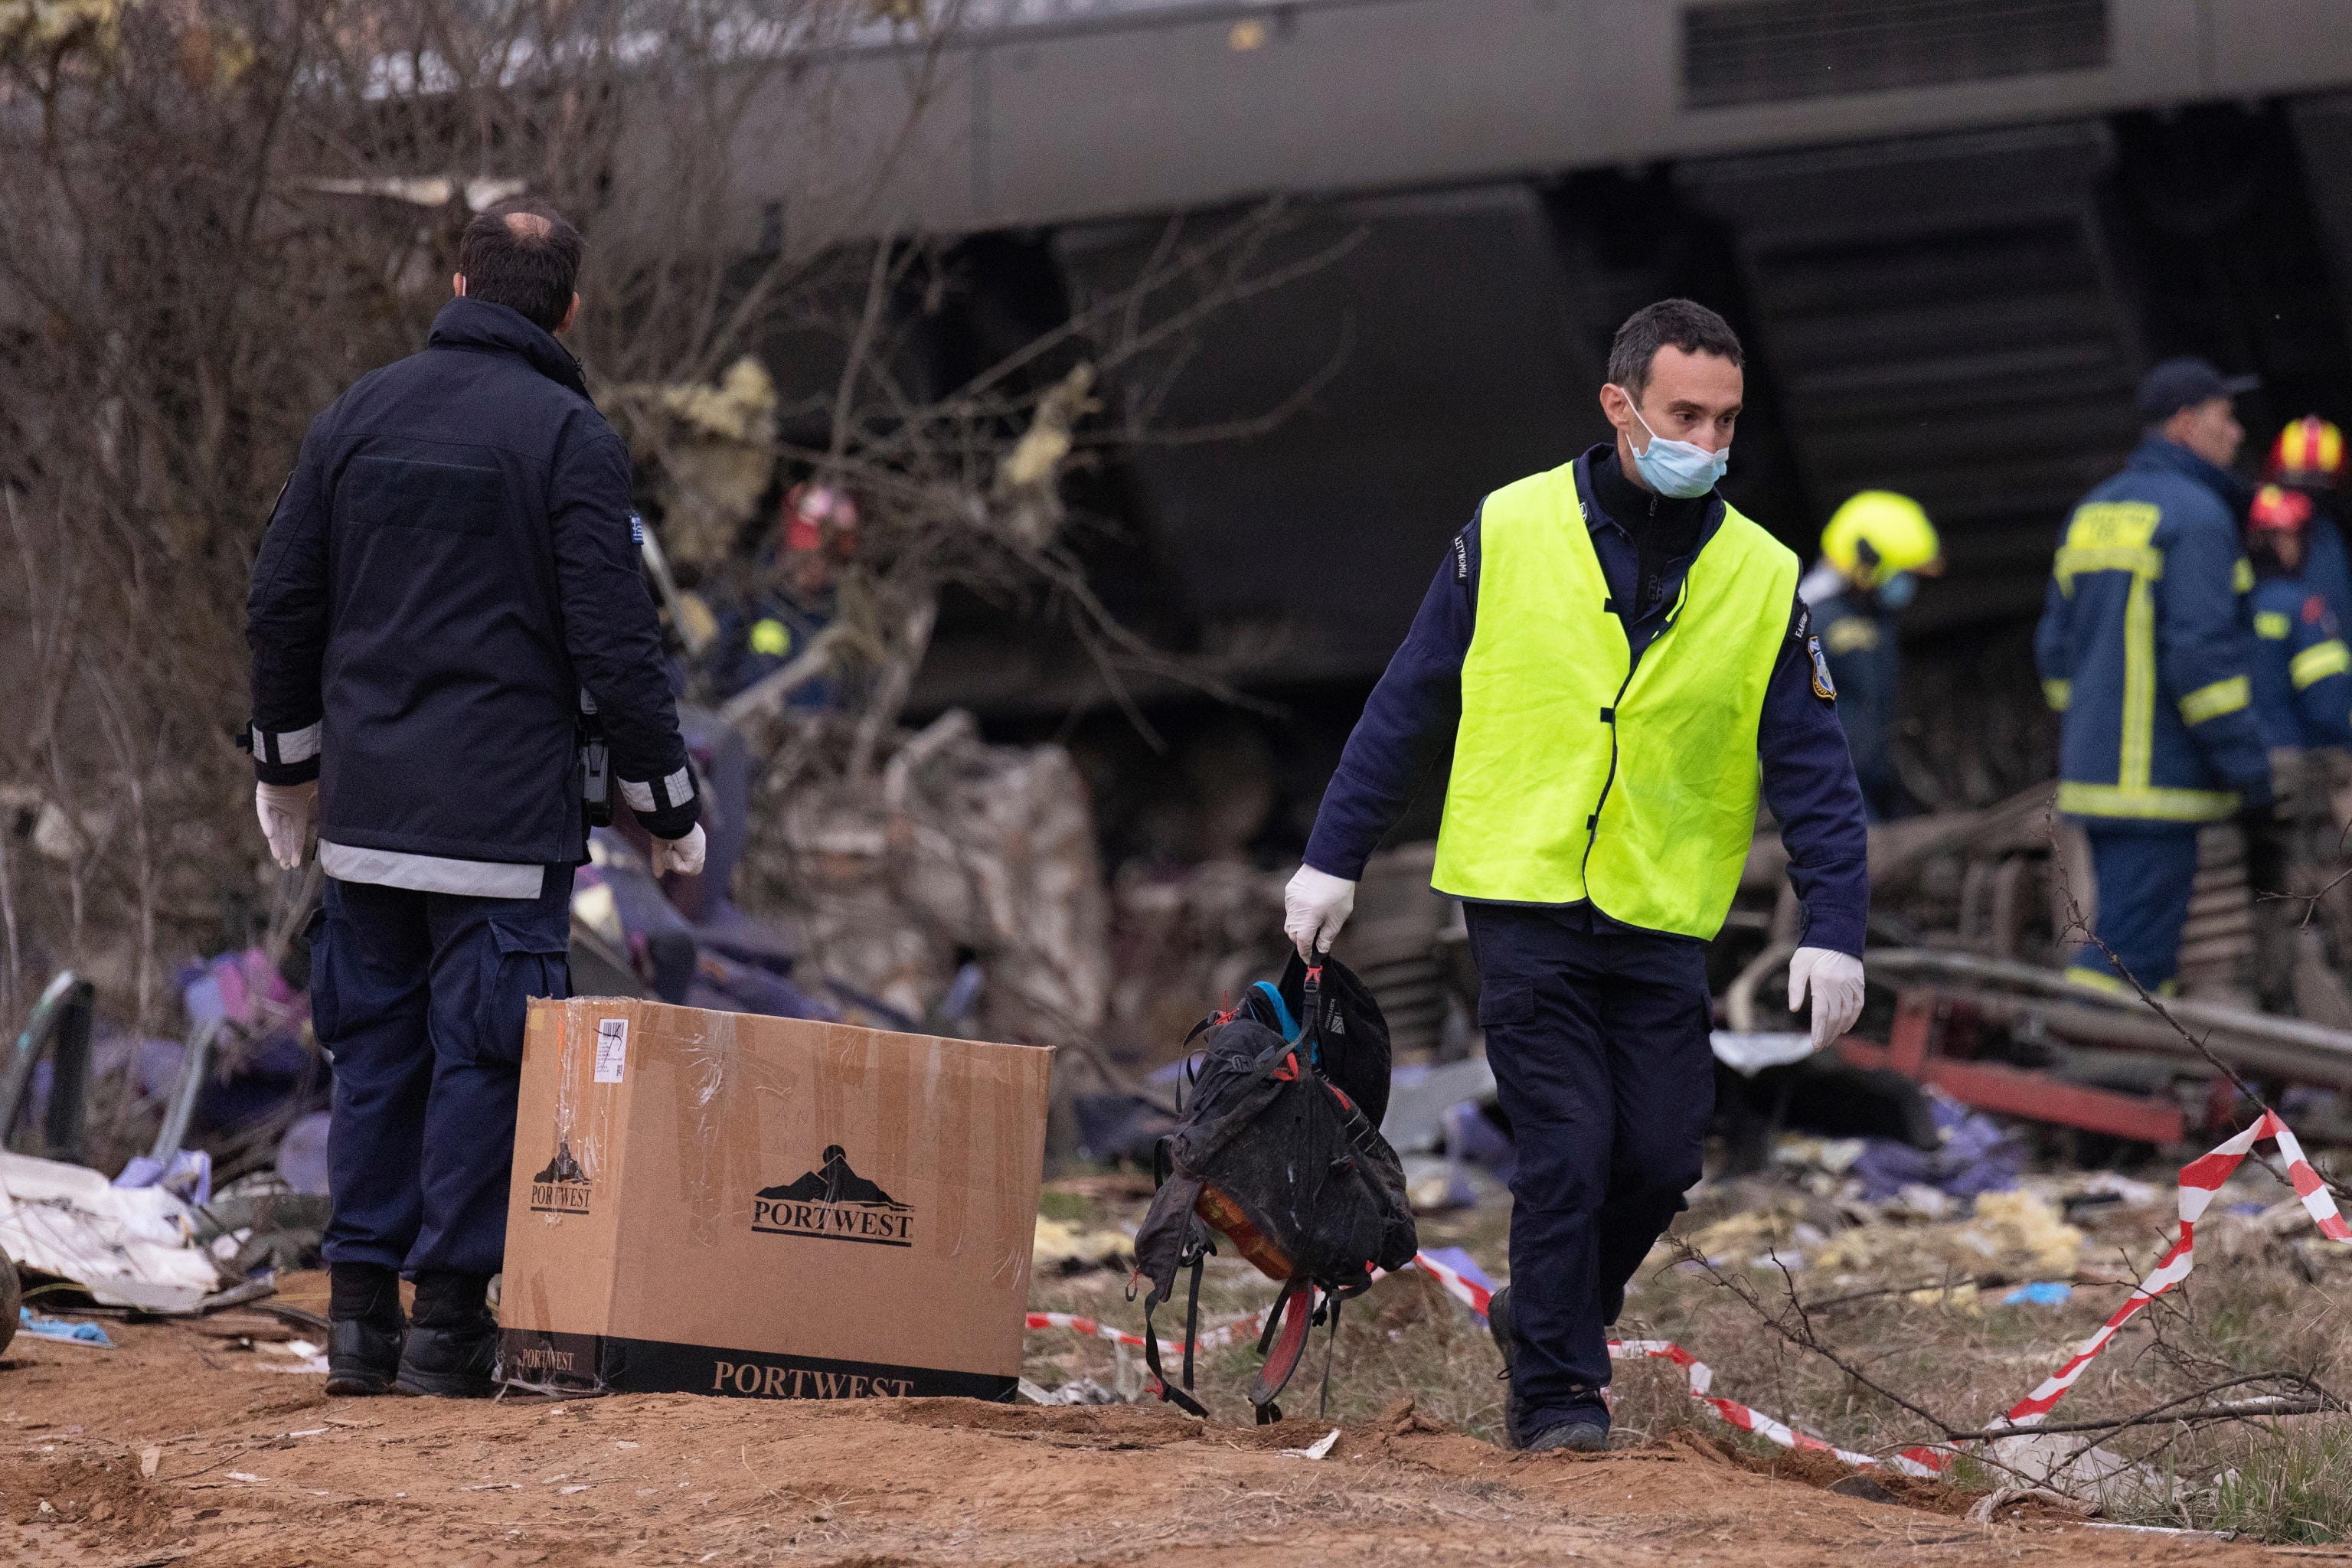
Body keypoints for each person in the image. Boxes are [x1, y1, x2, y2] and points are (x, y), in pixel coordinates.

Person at [1282, 299, 1869, 1453]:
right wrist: (1329, 858)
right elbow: (1408, 700)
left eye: (1727, 420)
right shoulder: (1509, 529)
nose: (1706, 441)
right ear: (1620, 407)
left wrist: (1835, 927)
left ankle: (1544, 1317)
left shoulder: (1758, 574)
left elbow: (1814, 768)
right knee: (1569, 1148)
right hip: (1523, 893)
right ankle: (1557, 1397)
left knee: (1658, 1157)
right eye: (1683, 414)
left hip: (1659, 907)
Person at [246, 202, 707, 1397]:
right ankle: (448, 1333)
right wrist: (669, 804)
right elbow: (618, 643)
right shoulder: (569, 436)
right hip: (502, 836)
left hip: (366, 828)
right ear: (568, 309)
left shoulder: (356, 414)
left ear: (457, 282)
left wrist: (286, 769)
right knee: (483, 1067)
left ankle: (356, 1326)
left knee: (376, 1062)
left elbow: (283, 601)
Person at [2034, 356, 2272, 996]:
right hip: (2160, 782)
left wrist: (2094, 721)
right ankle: (2083, 1067)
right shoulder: (2197, 519)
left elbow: (2055, 654)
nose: (2238, 434)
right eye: (2226, 418)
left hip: (2096, 778)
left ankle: (2124, 1066)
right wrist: (2250, 772)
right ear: (2187, 425)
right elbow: (2205, 667)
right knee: (2129, 964)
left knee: (2137, 954)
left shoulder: (2093, 511)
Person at [1798, 491, 1942, 820]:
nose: (1906, 584)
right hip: (1828, 797)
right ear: (1867, 560)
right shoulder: (1806, 622)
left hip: (1872, 786)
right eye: (1899, 571)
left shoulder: (1873, 616)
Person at [2244, 484, 2352, 752]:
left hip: (2243, 756)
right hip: (2297, 757)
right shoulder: (2305, 608)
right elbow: (2326, 704)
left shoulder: (2233, 603)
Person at [2265, 416, 2352, 635]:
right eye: (2296, 484)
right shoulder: (2264, 534)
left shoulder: (2330, 536)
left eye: (2318, 483)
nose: (2305, 501)